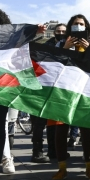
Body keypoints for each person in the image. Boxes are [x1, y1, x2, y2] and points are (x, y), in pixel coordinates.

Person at [0, 8, 47, 180]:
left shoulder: (10, 40)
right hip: (3, 90)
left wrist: (33, 31)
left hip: (1, 91)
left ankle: (1, 163)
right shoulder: (8, 38)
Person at [52, 14, 90, 180]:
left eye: (81, 24)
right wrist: (64, 48)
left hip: (84, 92)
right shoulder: (60, 44)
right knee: (60, 130)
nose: (78, 27)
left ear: (86, 28)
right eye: (75, 24)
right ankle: (62, 168)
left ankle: (89, 165)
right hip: (63, 92)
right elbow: (53, 65)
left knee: (86, 131)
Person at [32, 24, 66, 162]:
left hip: (57, 88)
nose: (60, 33)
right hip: (43, 86)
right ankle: (37, 151)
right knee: (39, 122)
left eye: (63, 31)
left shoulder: (69, 45)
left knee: (54, 122)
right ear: (54, 33)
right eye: (58, 31)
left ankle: (53, 150)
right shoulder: (46, 46)